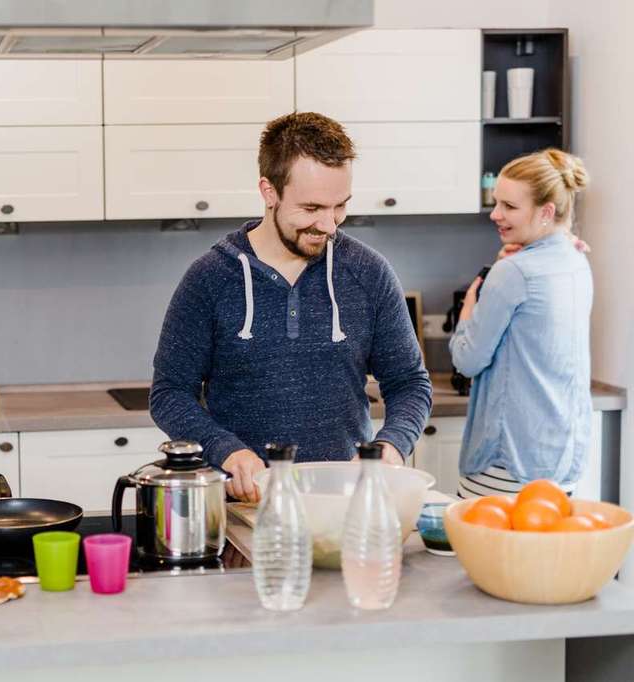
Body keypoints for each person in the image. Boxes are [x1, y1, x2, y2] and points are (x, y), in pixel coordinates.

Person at [150, 112, 432, 503]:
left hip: (346, 504)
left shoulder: (368, 273)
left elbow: (409, 384)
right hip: (245, 505)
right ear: (270, 192)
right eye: (312, 208)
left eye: (340, 206)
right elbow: (169, 393)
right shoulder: (211, 278)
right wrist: (226, 450)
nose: (330, 225)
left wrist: (391, 447)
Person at [450, 149, 591, 498]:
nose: (495, 214)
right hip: (560, 461)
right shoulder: (577, 261)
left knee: (485, 553)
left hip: (507, 464)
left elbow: (467, 361)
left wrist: (470, 303)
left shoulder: (512, 272)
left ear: (546, 211)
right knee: (544, 552)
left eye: (509, 207)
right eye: (496, 202)